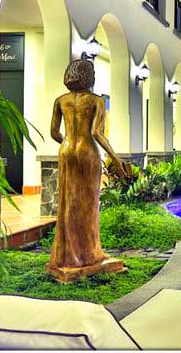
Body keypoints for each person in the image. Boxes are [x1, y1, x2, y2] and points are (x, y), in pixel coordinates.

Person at [48, 59, 124, 270]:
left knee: (67, 203)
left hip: (66, 150)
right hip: (87, 151)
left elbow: (54, 132)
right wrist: (115, 158)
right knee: (88, 204)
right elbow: (95, 133)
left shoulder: (60, 100)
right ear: (88, 77)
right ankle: (88, 254)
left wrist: (66, 141)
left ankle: (66, 256)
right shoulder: (96, 101)